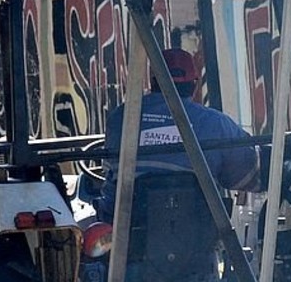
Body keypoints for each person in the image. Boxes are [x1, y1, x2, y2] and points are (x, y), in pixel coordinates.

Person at [96, 48, 260, 222]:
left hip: (125, 230)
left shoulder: (120, 117)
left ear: (153, 82)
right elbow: (247, 173)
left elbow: (110, 169)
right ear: (194, 84)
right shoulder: (217, 123)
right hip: (197, 233)